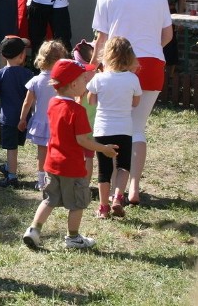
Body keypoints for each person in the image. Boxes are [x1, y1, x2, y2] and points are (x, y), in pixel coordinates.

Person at [90, 0, 172, 206]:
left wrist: (92, 67)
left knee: (112, 127)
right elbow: (167, 35)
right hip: (151, 65)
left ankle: (115, 187)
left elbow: (101, 40)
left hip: (115, 66)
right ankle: (132, 188)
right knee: (137, 127)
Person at [21, 59, 118, 251]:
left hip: (52, 164)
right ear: (73, 84)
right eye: (83, 79)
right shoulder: (78, 111)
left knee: (49, 200)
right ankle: (73, 238)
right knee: (77, 204)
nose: (86, 83)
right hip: (72, 167)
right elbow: (83, 141)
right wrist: (104, 148)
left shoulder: (52, 103)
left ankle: (34, 230)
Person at [86, 36, 141, 219]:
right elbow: (135, 102)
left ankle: (103, 207)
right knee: (123, 166)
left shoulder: (99, 78)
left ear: (106, 55)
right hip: (124, 128)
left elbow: (91, 101)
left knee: (104, 169)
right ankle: (118, 197)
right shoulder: (133, 79)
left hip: (103, 129)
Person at [20, 40, 68, 191]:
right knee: (58, 153)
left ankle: (41, 180)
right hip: (58, 123)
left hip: (41, 122)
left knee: (42, 154)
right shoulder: (61, 81)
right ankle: (55, 179)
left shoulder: (35, 80)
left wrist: (22, 119)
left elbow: (27, 102)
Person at [0, 36, 33, 188]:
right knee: (15, 146)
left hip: (7, 118)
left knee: (11, 149)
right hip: (24, 118)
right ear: (22, 55)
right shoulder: (28, 74)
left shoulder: (0, 74)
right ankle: (9, 168)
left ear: (2, 55)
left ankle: (12, 176)